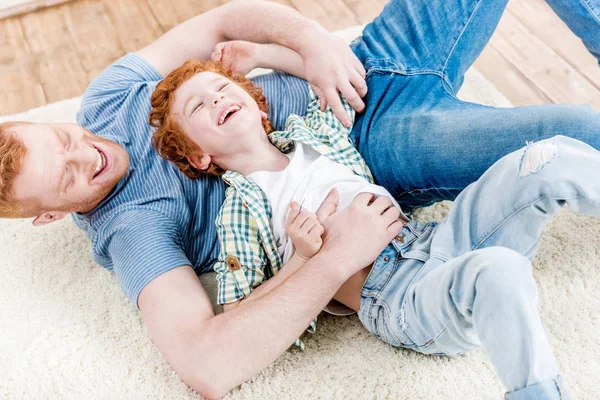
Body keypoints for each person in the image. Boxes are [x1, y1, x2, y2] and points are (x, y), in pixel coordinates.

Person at [1, 0, 599, 397]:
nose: (89, 151)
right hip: (380, 142)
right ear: (52, 214)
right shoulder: (133, 231)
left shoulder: (105, 98)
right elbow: (205, 361)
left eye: (64, 139)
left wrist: (313, 44)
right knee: (574, 137)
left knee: (556, 159)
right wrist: (331, 258)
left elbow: (221, 23)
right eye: (69, 176)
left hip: (361, 63)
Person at [150, 54, 597, 399]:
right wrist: (305, 258)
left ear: (254, 102)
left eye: (222, 88)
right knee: (497, 270)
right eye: (198, 107)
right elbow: (238, 313)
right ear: (198, 156)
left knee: (546, 156)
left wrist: (262, 51)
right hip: (396, 293)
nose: (216, 100)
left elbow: (337, 74)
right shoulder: (238, 211)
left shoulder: (314, 134)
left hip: (435, 239)